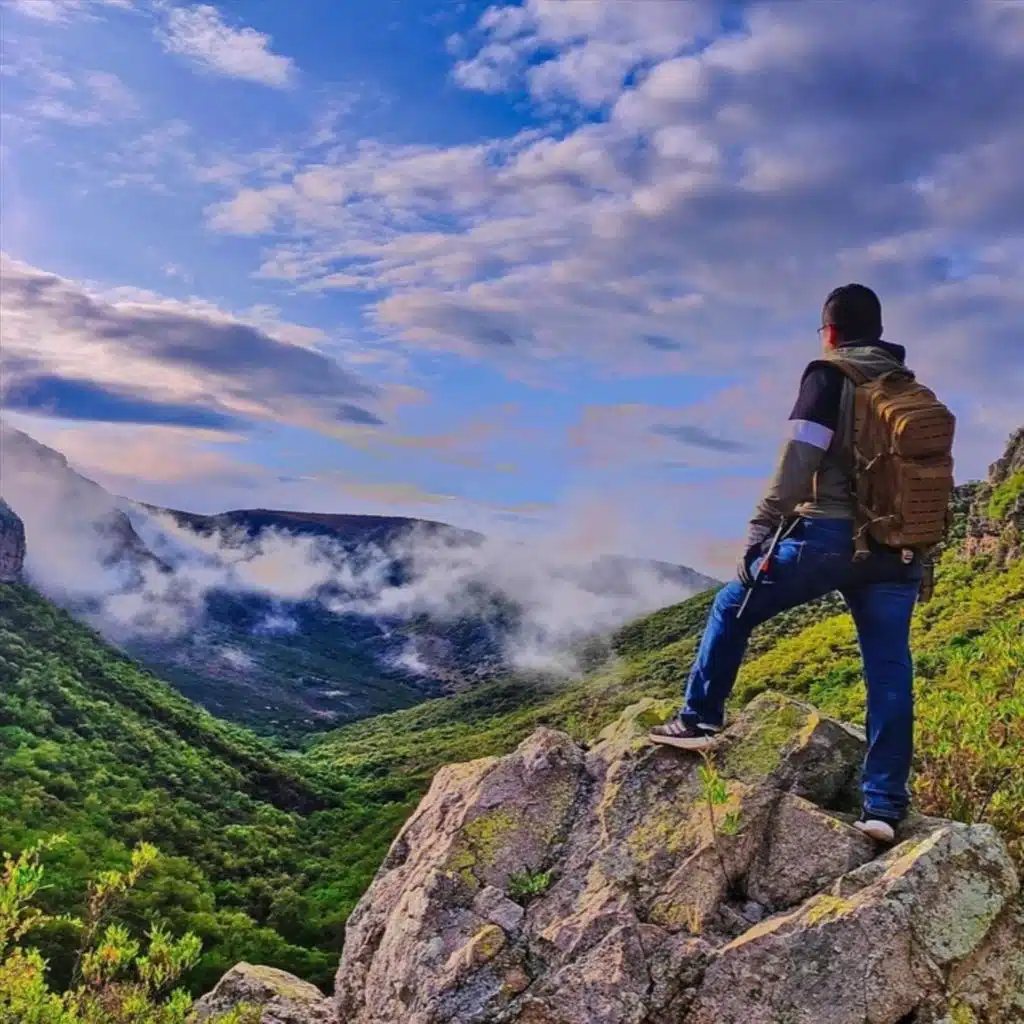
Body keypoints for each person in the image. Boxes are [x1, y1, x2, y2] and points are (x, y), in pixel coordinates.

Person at [649, 284, 924, 844]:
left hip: (828, 537)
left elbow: (798, 458)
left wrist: (760, 529)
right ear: (878, 331)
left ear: (829, 332)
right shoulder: (910, 389)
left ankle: (699, 720)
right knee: (889, 672)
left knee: (732, 606)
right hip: (899, 549)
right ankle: (883, 807)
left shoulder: (830, 376)